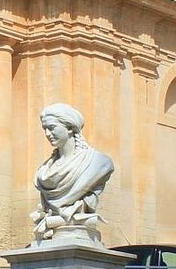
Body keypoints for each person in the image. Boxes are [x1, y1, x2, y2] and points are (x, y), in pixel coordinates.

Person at [31, 103, 115, 242]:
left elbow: (105, 166)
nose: (47, 134)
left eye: (51, 128)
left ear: (70, 128)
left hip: (79, 236)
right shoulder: (43, 171)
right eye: (45, 129)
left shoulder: (99, 163)